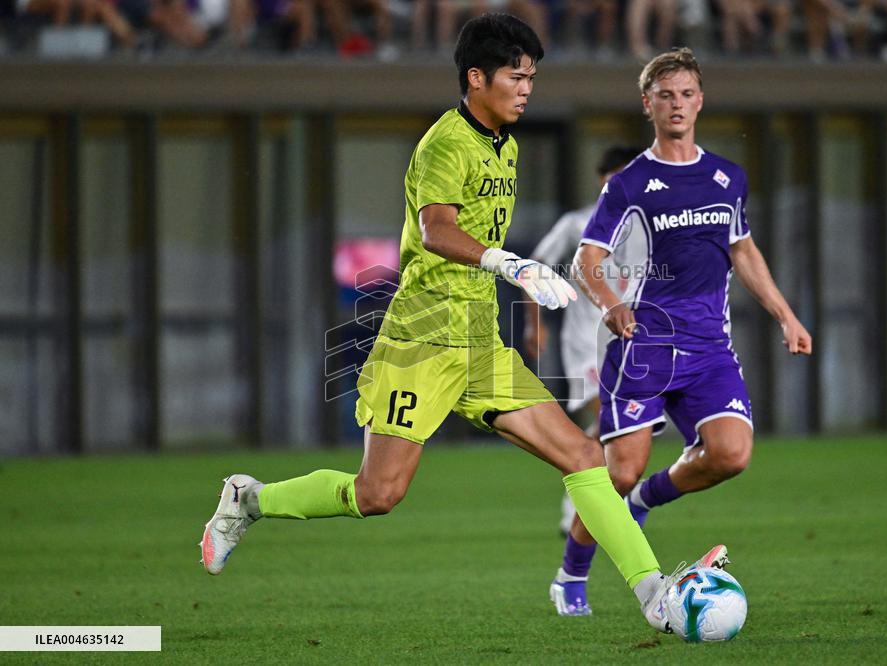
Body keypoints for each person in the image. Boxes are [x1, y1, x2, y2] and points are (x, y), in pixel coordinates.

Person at [200, 13, 721, 634]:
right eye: (515, 76)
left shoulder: (507, 142)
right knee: (379, 495)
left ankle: (654, 593)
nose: (527, 88)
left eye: (532, 77)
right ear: (476, 78)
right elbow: (436, 229)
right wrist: (511, 264)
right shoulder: (445, 143)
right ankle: (250, 499)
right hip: (419, 339)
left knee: (583, 455)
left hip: (478, 342)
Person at [549, 47, 812, 617]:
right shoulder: (630, 183)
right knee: (616, 473)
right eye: (665, 95)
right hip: (642, 348)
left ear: (700, 101)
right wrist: (612, 304)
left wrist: (785, 314)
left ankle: (648, 499)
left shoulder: (727, 176)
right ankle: (570, 575)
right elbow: (586, 259)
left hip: (708, 349)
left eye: (687, 93)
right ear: (648, 105)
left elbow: (741, 248)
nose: (677, 104)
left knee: (731, 454)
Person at [522, 144, 640, 536]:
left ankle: (585, 500)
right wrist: (534, 324)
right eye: (613, 180)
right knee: (607, 417)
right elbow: (535, 266)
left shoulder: (648, 226)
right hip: (585, 342)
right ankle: (585, 508)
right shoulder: (578, 223)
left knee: (615, 424)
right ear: (600, 181)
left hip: (630, 341)